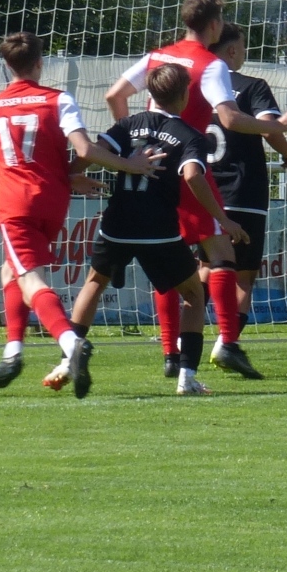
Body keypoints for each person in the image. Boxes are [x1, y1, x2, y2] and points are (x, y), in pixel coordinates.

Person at [104, 0, 287, 377]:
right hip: (189, 164)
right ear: (214, 25)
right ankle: (227, 342)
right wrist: (278, 125)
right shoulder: (211, 64)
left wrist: (136, 142)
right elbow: (230, 119)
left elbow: (115, 95)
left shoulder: (158, 55)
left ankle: (169, 353)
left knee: (169, 262)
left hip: (153, 168)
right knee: (222, 253)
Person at [0, 32, 163, 390]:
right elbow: (85, 150)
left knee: (30, 279)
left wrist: (130, 164)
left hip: (15, 203)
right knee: (12, 271)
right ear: (39, 62)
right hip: (53, 200)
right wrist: (107, 167)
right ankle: (12, 352)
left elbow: (8, 162)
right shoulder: (58, 99)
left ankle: (70, 342)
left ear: (7, 65)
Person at [61, 64, 247, 397]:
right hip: (159, 230)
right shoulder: (190, 135)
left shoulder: (127, 125)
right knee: (193, 295)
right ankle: (187, 378)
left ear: (150, 94)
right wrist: (224, 219)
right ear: (185, 95)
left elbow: (88, 154)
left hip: (117, 224)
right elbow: (193, 176)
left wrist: (73, 177)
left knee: (94, 283)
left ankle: (67, 359)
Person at [201, 21, 287, 379]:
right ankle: (226, 343)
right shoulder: (251, 85)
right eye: (242, 47)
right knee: (243, 275)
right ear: (232, 50)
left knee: (205, 267)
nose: (244, 53)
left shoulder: (196, 87)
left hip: (201, 189)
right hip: (242, 190)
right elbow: (269, 128)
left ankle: (182, 341)